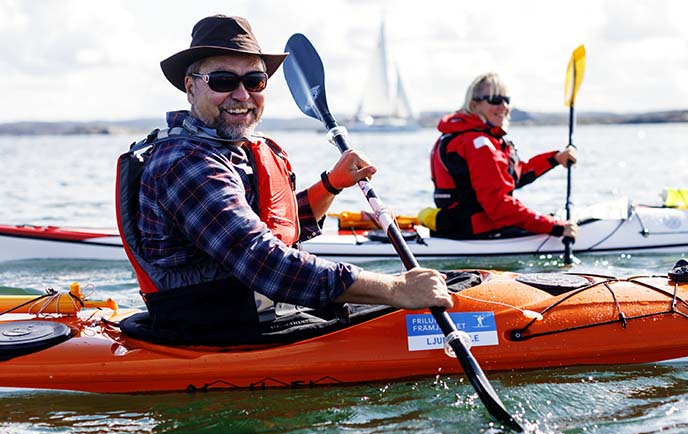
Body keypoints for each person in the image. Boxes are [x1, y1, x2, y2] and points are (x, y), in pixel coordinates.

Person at [116, 15, 451, 342]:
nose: (242, 95)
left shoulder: (229, 150)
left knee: (457, 281)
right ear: (190, 88)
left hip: (256, 312)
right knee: (442, 292)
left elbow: (276, 228)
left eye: (254, 81)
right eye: (222, 81)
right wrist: (396, 289)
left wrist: (332, 184)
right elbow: (265, 263)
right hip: (221, 329)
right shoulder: (188, 164)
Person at [423, 72, 579, 240]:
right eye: (495, 100)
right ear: (474, 105)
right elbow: (498, 206)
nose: (503, 106)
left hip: (458, 226)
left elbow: (513, 176)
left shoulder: (461, 137)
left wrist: (554, 158)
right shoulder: (478, 144)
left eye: (507, 100)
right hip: (477, 230)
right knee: (550, 220)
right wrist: (554, 227)